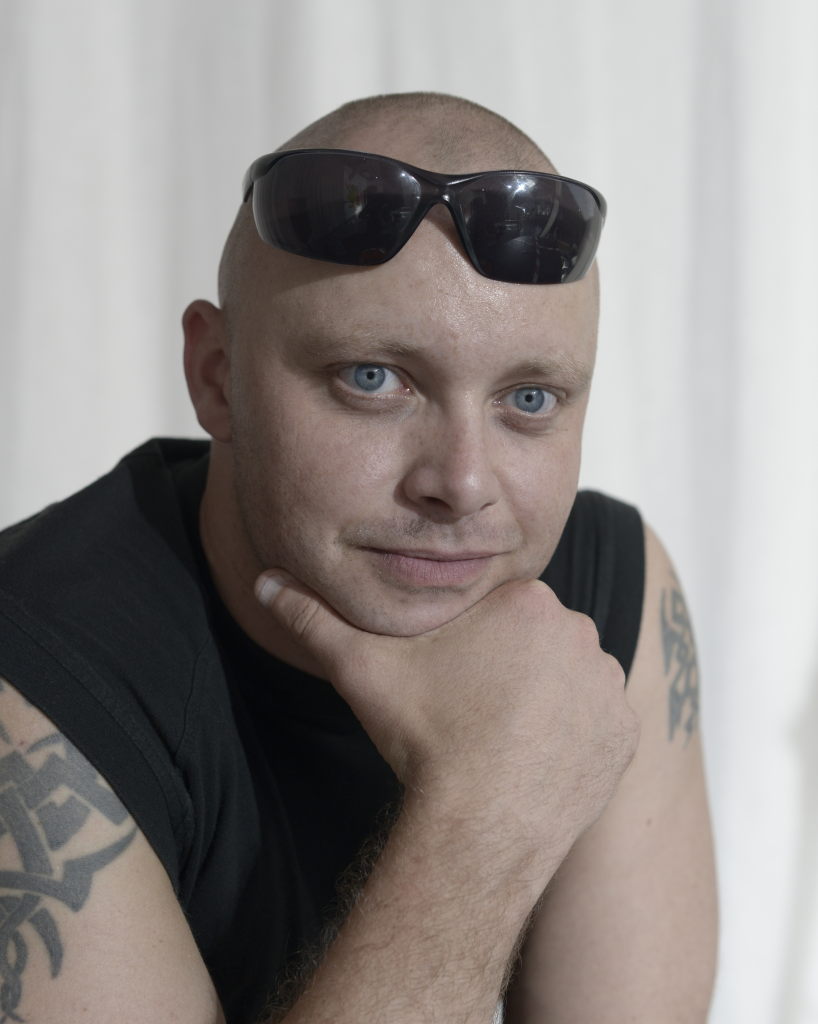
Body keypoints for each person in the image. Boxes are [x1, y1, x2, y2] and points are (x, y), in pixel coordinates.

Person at [0, 92, 717, 1023]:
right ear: (218, 378)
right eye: (373, 380)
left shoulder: (612, 586)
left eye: (530, 399)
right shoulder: (34, 678)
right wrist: (485, 814)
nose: (462, 483)